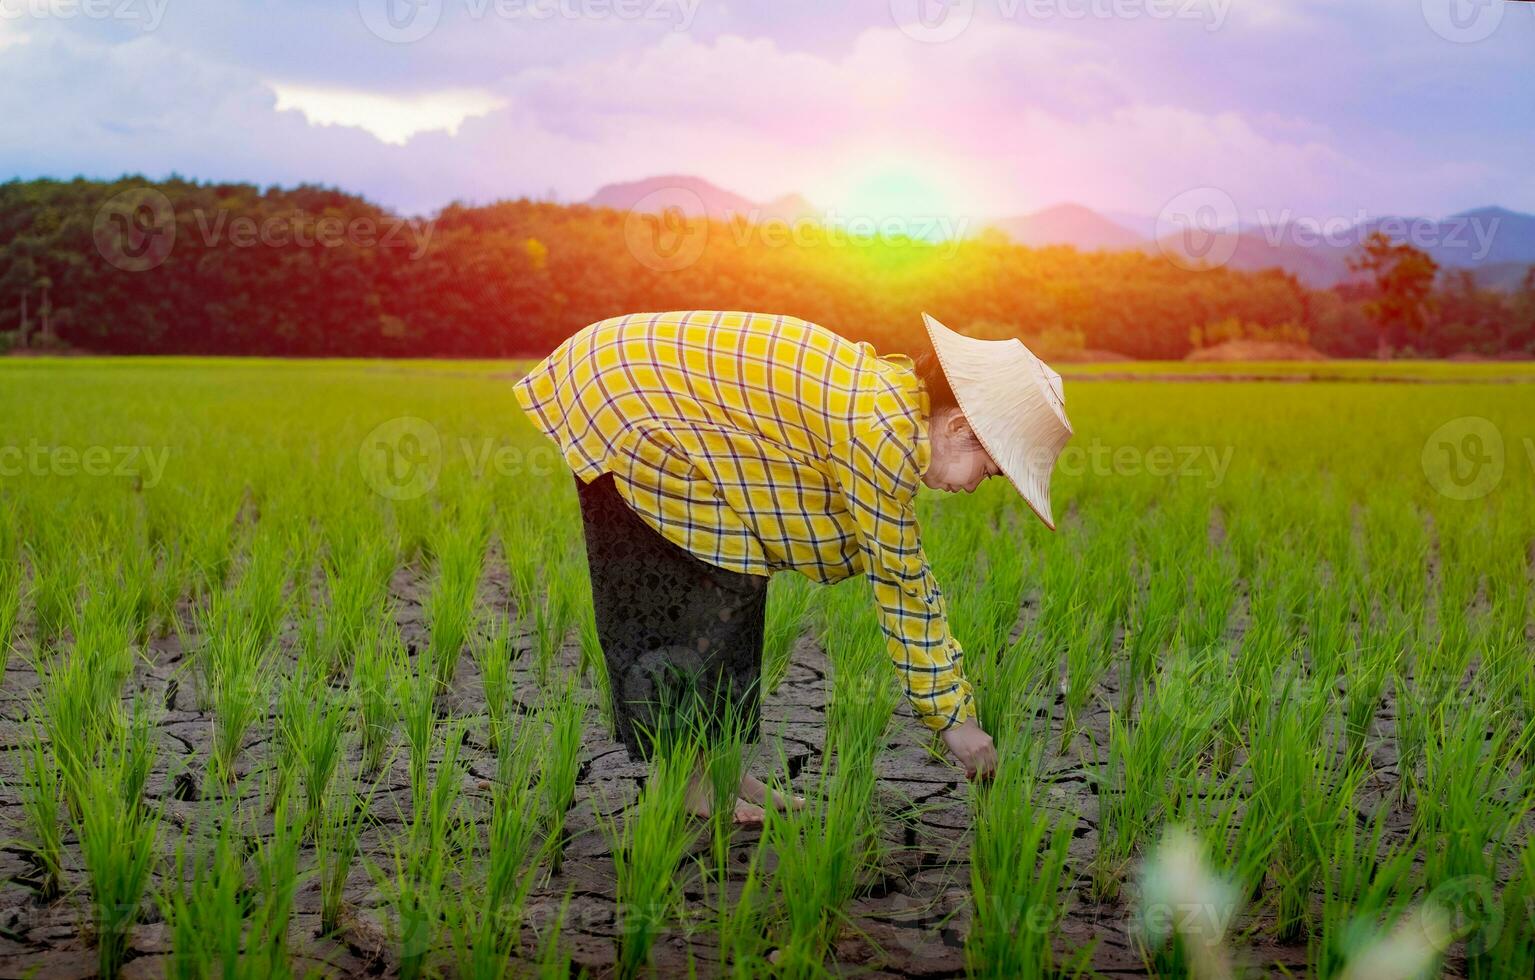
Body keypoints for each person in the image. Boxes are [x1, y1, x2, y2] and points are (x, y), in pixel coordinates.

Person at [513, 310, 1073, 824]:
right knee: (696, 587)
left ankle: (714, 770)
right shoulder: (880, 430)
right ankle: (688, 784)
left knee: (734, 573)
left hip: (639, 389)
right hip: (625, 398)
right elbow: (901, 582)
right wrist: (956, 721)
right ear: (956, 428)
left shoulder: (895, 403)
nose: (976, 486)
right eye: (990, 470)